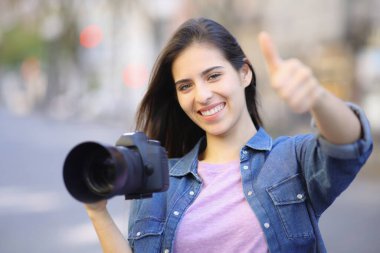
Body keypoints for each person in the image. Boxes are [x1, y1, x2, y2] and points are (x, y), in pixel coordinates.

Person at [84, 18, 373, 253]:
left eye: (213, 76)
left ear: (244, 73)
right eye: (185, 86)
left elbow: (349, 144)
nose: (203, 95)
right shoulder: (159, 180)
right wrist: (97, 212)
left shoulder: (290, 161)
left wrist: (316, 97)